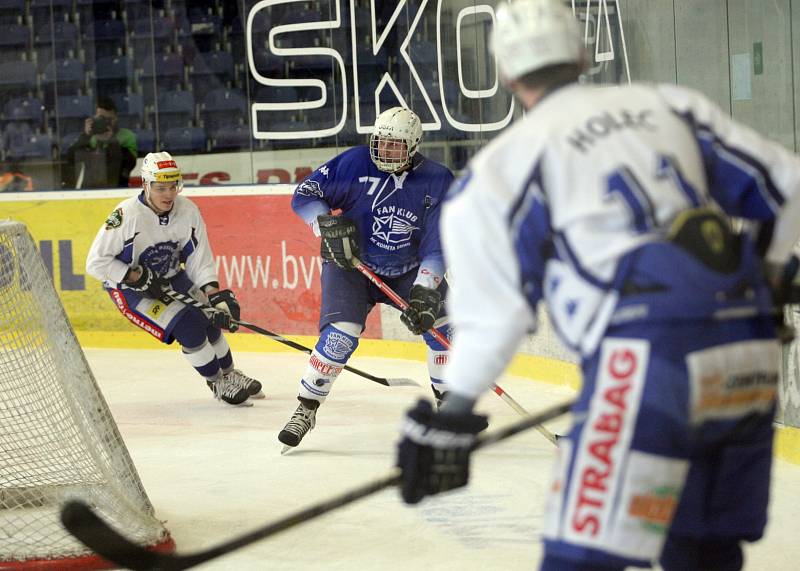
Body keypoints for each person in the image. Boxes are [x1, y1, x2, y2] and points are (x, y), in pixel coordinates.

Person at [396, 1, 800, 570]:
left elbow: (495, 319)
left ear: (507, 74)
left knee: (582, 561)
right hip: (747, 352)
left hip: (643, 363)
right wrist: (775, 274)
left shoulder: (500, 171)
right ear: (582, 53)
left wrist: (452, 416)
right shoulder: (669, 106)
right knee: (704, 550)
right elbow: (789, 184)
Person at [278, 106, 455, 449]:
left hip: (408, 268)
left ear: (414, 146)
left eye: (395, 146)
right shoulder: (355, 163)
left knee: (443, 327)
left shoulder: (438, 179)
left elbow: (439, 242)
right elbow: (305, 195)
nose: (385, 151)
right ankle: (306, 407)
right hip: (351, 266)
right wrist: (324, 223)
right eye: (381, 143)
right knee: (341, 337)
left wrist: (424, 289)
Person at [86, 151, 264, 406]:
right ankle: (216, 381)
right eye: (161, 188)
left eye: (173, 186)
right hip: (130, 289)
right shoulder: (126, 215)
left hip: (171, 276)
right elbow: (95, 262)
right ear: (145, 185)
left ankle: (230, 372)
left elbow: (198, 257)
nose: (169, 194)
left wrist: (214, 296)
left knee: (210, 319)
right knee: (188, 327)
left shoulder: (187, 210)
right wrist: (133, 275)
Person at [62, 95, 137, 189]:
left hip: (117, 188)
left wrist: (111, 141)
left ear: (115, 118)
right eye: (100, 119)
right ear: (94, 118)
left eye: (108, 119)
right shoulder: (89, 137)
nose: (104, 122)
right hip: (89, 190)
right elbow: (70, 158)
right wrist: (86, 135)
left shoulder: (127, 136)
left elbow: (129, 165)